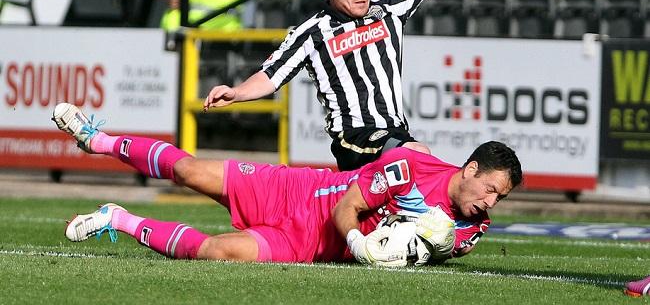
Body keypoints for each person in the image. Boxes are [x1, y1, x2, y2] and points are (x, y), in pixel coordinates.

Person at [203, 0, 484, 171]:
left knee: (413, 181)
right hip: (354, 138)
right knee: (418, 156)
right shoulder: (312, 32)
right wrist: (237, 92)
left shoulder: (389, 10)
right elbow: (272, 75)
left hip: (395, 133)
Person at [53, 102, 521, 266]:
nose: (491, 202)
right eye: (491, 189)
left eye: (500, 198)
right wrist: (361, 245)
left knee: (218, 253)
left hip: (305, 242)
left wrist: (397, 251)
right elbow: (348, 208)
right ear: (470, 169)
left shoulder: (469, 233)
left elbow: (424, 251)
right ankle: (98, 139)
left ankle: (119, 218)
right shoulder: (410, 167)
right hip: (302, 193)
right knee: (189, 171)